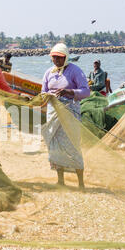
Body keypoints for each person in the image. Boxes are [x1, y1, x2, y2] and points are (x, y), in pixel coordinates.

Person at [41, 43, 90, 189]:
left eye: (59, 57)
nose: (56, 60)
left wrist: (70, 92)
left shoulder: (75, 71)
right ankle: (60, 180)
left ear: (66, 57)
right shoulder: (49, 73)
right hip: (53, 113)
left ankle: (81, 183)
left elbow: (86, 91)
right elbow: (43, 92)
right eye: (54, 57)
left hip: (70, 113)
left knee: (73, 145)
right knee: (55, 146)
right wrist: (46, 96)